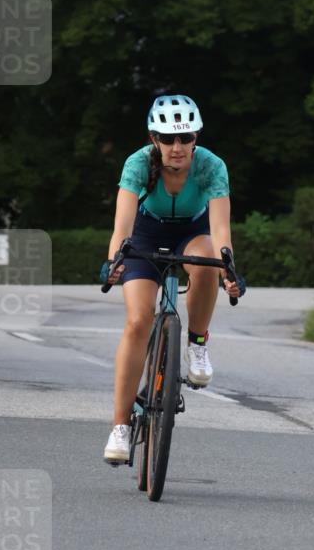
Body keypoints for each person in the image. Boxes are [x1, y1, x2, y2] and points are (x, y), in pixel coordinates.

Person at [103, 95, 244, 464]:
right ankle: (120, 426)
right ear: (154, 139)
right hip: (147, 235)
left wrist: (229, 268)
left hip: (192, 232)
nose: (177, 147)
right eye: (168, 139)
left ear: (196, 138)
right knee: (137, 321)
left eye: (185, 138)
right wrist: (115, 260)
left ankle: (197, 343)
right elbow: (123, 224)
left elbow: (220, 228)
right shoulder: (138, 164)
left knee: (210, 259)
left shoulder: (212, 166)